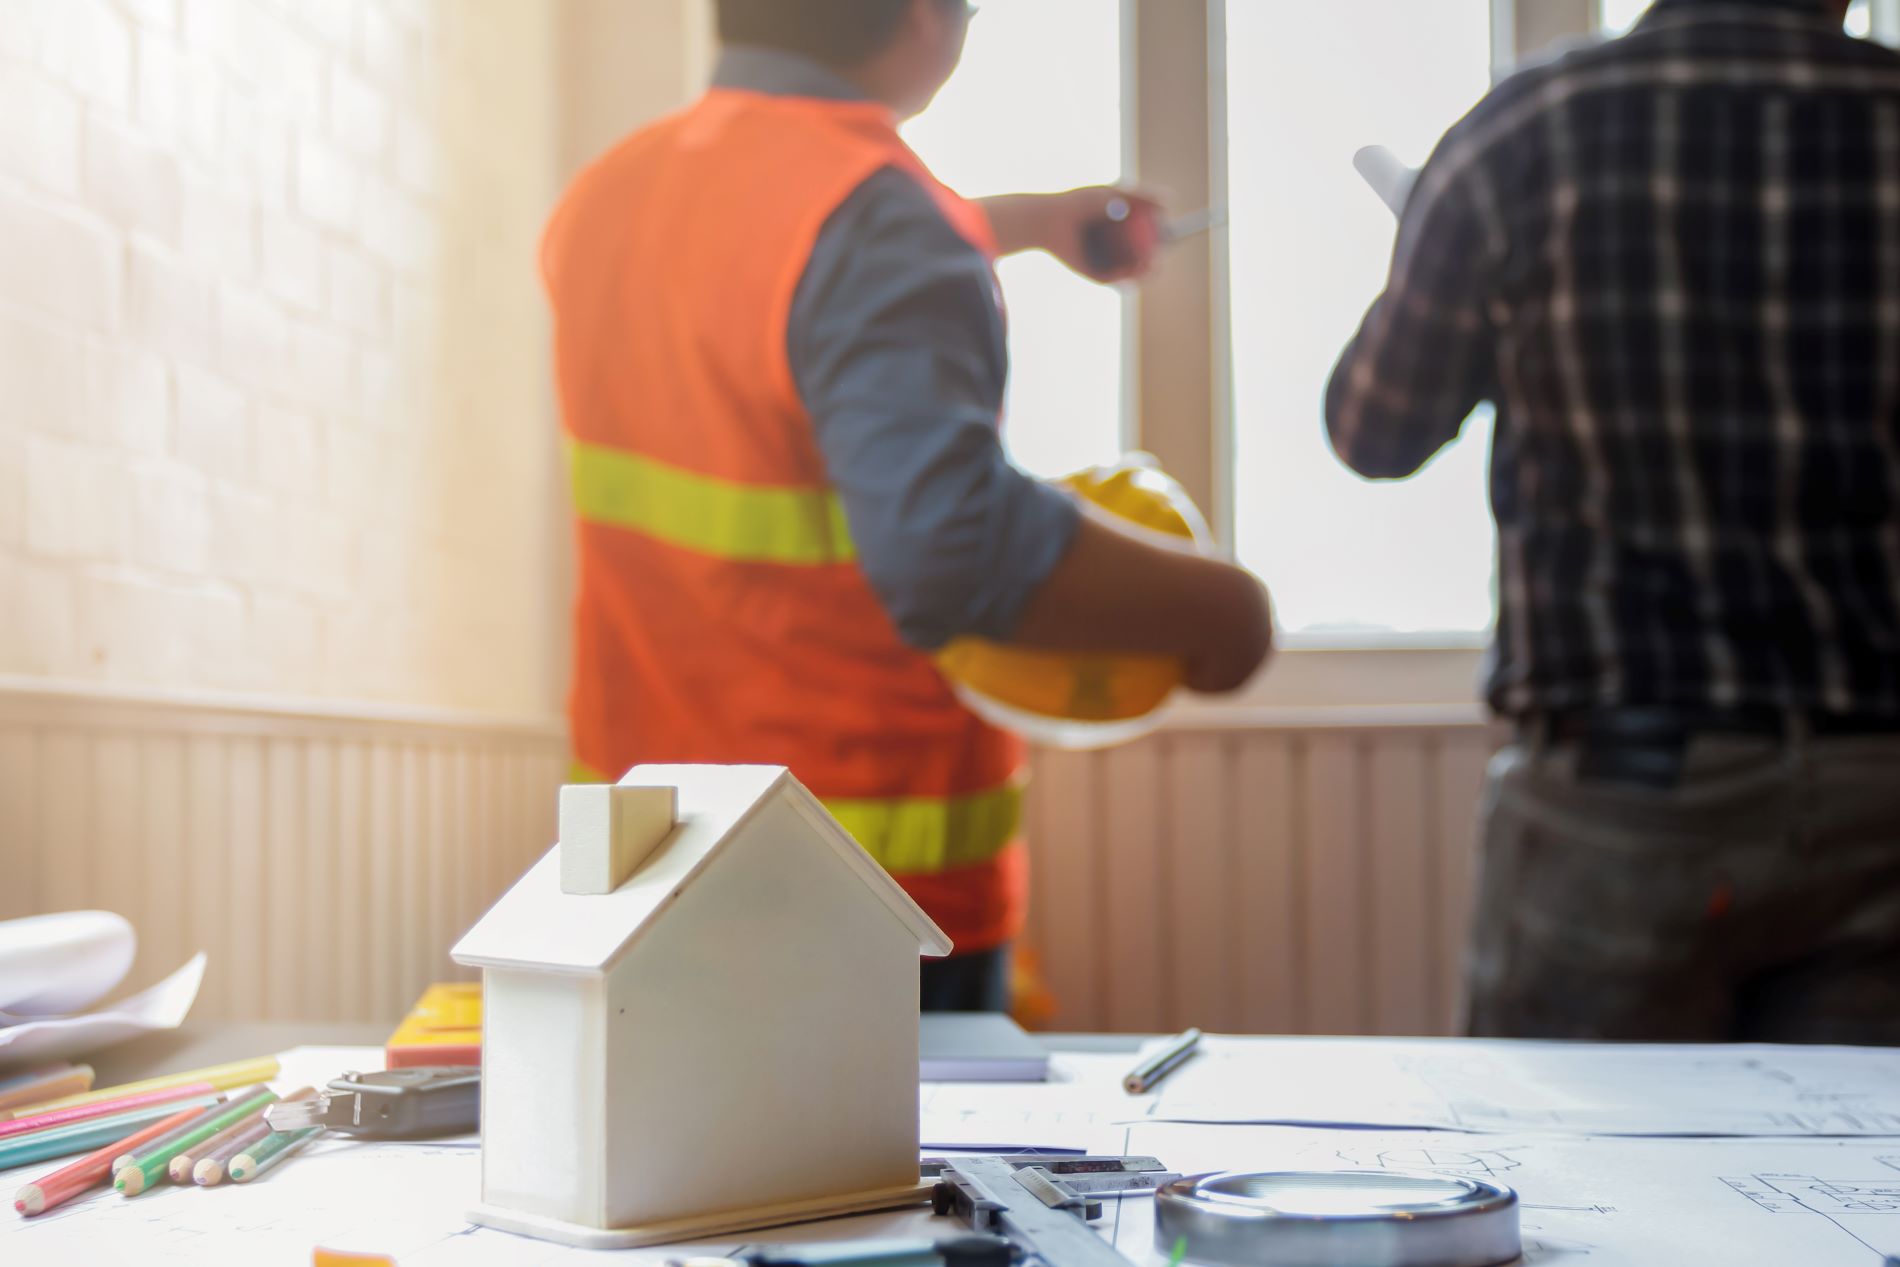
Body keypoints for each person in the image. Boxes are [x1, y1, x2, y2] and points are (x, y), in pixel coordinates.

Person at [543, 0, 1273, 1012]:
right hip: (858, 894)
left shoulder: (610, 193)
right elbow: (950, 549)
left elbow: (788, 284)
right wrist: (1226, 609)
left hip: (638, 871)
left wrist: (1018, 222)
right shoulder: (880, 214)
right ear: (927, 16)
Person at [1325, 0, 1900, 1043]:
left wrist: (1448, 256)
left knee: (1581, 1196)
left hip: (1618, 803)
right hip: (1883, 801)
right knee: (1864, 1201)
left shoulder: (1523, 132)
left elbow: (1373, 430)